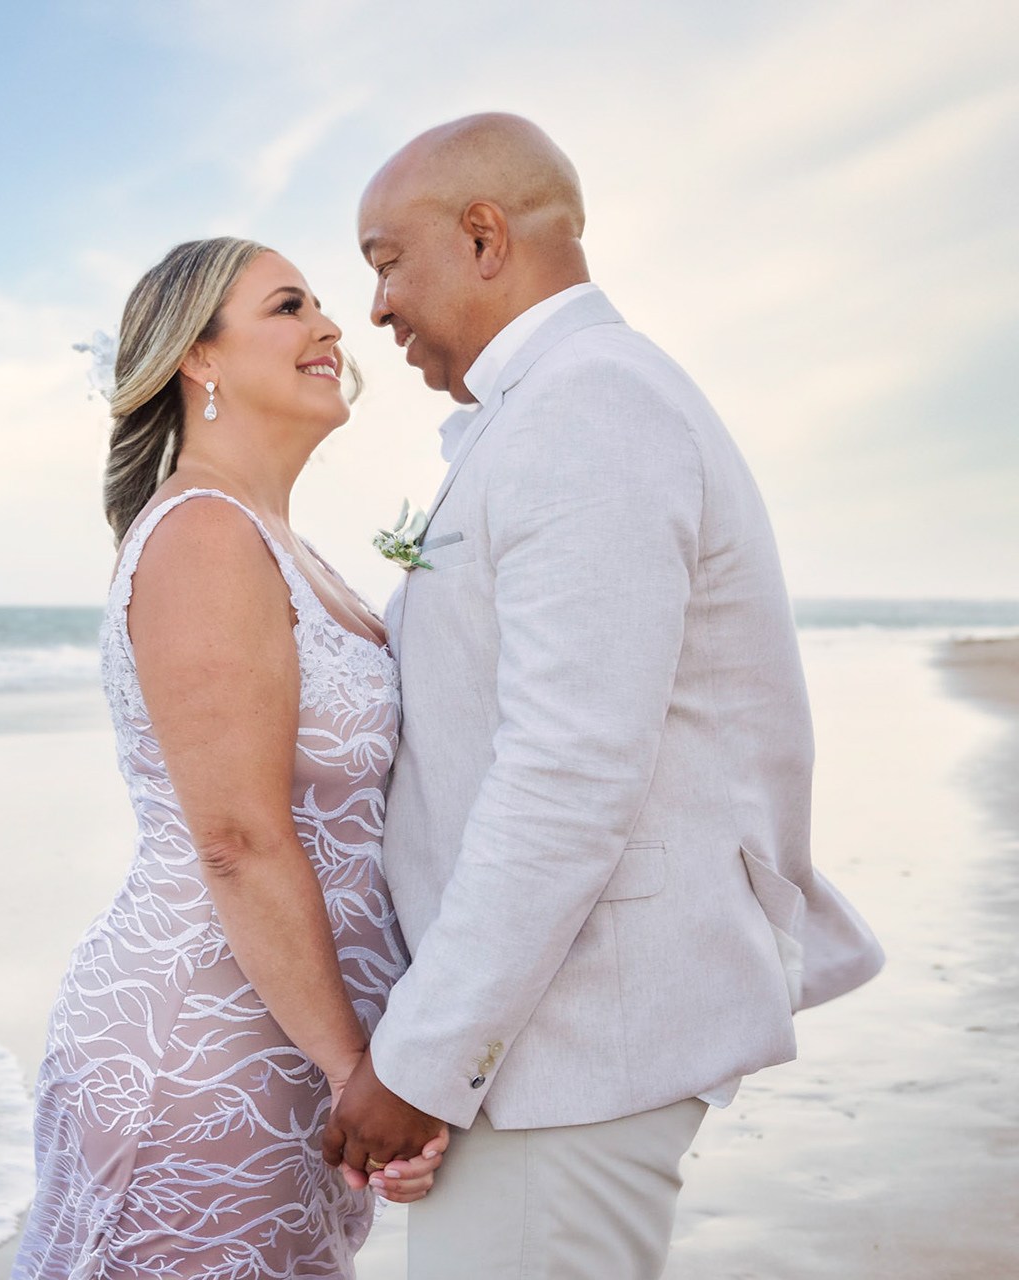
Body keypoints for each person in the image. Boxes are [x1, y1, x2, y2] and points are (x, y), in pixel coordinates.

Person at [323, 113, 886, 1279]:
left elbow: (568, 775)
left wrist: (420, 1058)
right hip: (543, 1046)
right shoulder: (560, 405)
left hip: (571, 1048)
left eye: (385, 261)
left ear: (485, 237)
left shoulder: (590, 406)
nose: (374, 308)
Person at [12, 238, 445, 1279]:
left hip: (286, 1052)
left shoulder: (282, 540)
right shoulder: (205, 534)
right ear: (197, 360)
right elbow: (239, 838)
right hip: (201, 1058)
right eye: (289, 307)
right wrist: (353, 1069)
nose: (332, 328)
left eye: (321, 307)